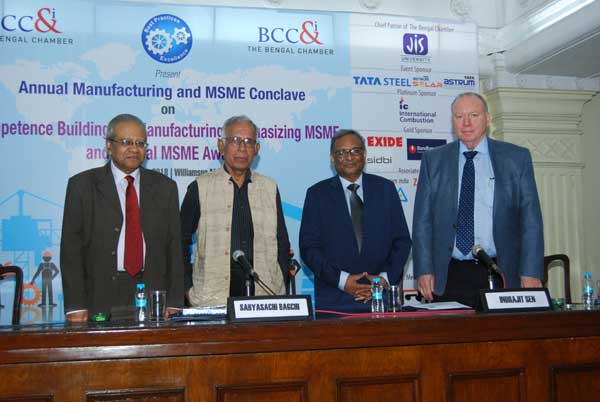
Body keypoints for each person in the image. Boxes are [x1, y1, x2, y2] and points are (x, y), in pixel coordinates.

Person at [412, 92, 544, 308]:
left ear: (487, 119)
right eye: (459, 116)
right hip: (448, 274)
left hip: (500, 272)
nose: (466, 123)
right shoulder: (433, 160)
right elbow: (422, 221)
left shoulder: (516, 158)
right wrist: (424, 269)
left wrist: (531, 272)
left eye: (473, 115)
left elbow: (531, 220)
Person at [60, 114, 184, 322]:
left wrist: (174, 302)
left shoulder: (165, 187)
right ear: (109, 146)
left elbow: (174, 248)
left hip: (153, 295)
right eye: (126, 142)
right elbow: (71, 250)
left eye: (140, 143)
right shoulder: (82, 186)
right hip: (99, 296)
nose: (134, 149)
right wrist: (75, 306)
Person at [181, 115, 291, 307]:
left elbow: (282, 242)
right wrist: (187, 288)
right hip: (211, 297)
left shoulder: (269, 187)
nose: (242, 148)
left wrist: (281, 279)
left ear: (256, 149)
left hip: (263, 296)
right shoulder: (200, 187)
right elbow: (180, 241)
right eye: (235, 140)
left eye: (249, 141)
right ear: (221, 146)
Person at [299, 129, 412, 312]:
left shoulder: (386, 189)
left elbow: (402, 241)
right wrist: (343, 281)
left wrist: (383, 280)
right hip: (334, 299)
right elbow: (309, 248)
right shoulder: (317, 194)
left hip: (381, 298)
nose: (349, 157)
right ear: (332, 158)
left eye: (355, 151)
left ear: (364, 154)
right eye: (341, 152)